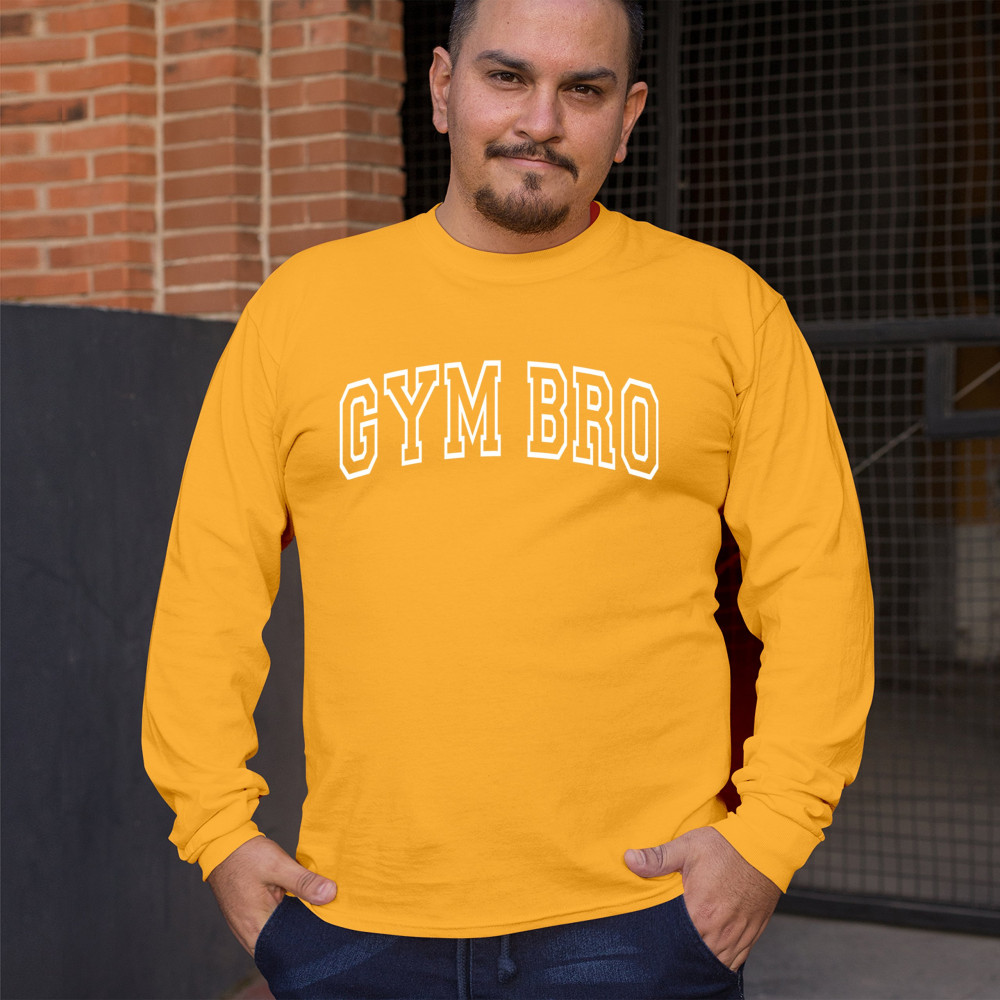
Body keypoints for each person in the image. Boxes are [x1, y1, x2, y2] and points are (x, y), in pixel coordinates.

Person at [142, 0, 874, 997]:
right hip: (356, 911)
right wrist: (217, 829)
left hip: (640, 917)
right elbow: (208, 590)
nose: (541, 120)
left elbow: (818, 590)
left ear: (628, 116)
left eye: (584, 90)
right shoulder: (301, 312)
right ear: (444, 89)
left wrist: (771, 836)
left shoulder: (727, 313)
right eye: (507, 77)